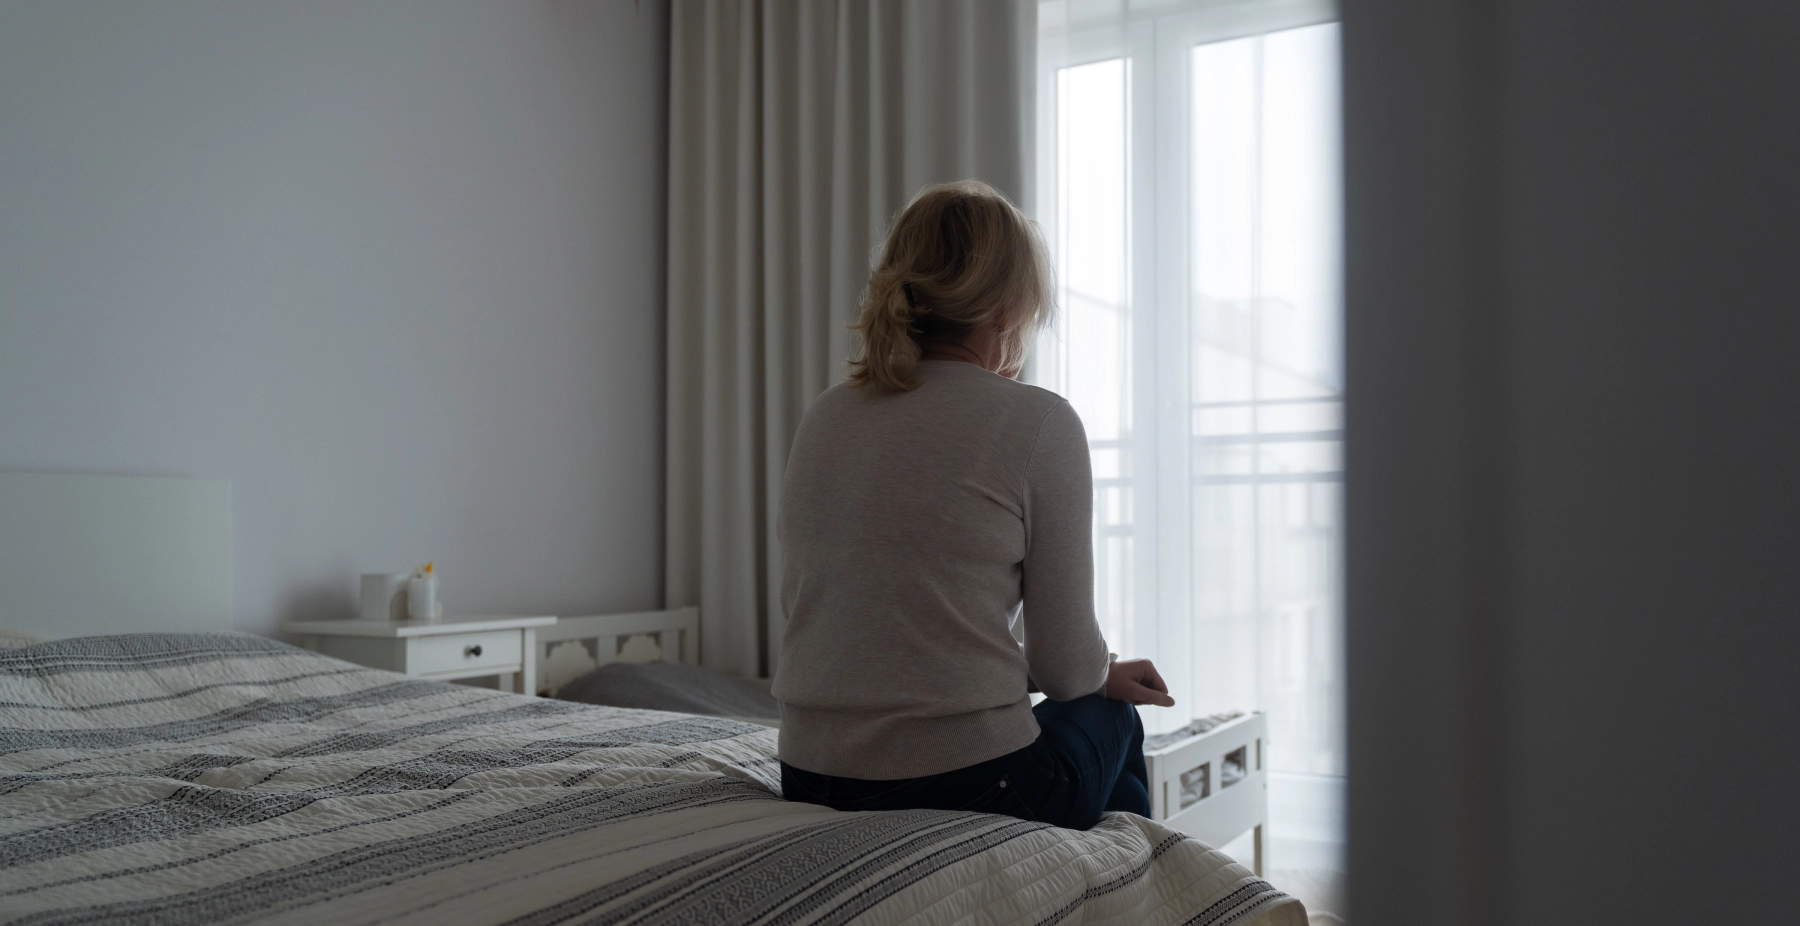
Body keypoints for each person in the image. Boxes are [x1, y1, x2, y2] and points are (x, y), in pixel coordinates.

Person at [771, 180, 1175, 831]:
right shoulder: (1039, 423)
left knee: (1088, 708)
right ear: (1005, 312)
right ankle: (1129, 888)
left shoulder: (826, 414)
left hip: (809, 775)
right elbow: (1066, 669)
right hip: (968, 783)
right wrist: (1102, 676)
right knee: (1113, 718)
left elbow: (881, 626)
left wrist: (1095, 671)